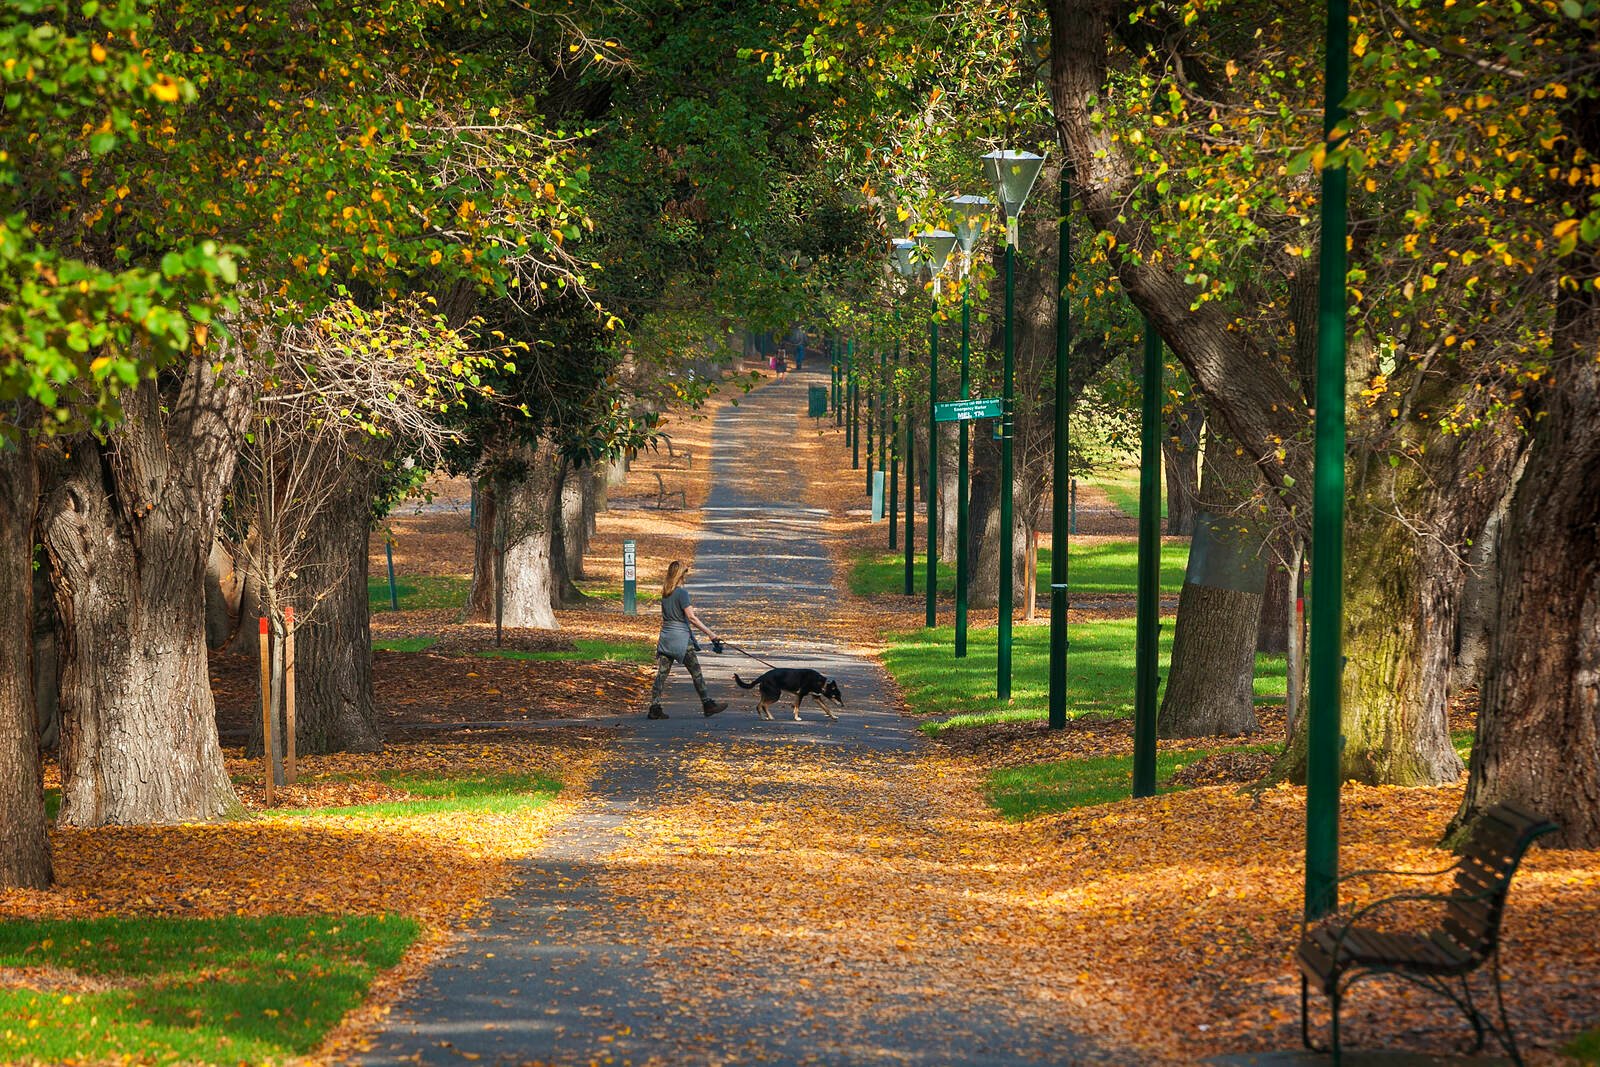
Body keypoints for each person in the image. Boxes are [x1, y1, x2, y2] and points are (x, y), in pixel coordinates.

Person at [647, 560, 728, 719]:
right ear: (680, 575)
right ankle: (708, 704)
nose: (685, 576)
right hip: (681, 639)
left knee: (661, 674)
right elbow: (691, 617)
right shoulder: (682, 593)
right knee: (696, 672)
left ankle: (654, 707)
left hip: (666, 637)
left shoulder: (665, 593)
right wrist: (711, 634)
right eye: (684, 573)